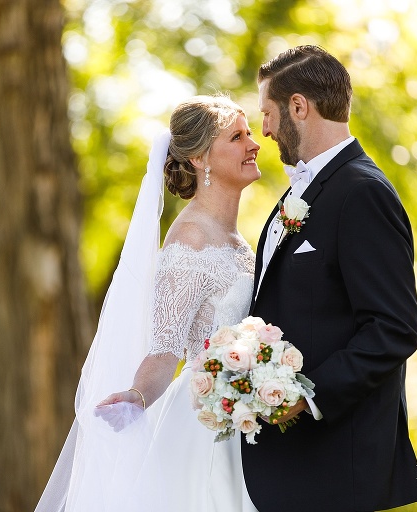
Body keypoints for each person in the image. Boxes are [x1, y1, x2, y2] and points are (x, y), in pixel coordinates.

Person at [35, 95, 260, 511]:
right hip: (207, 424)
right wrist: (137, 395)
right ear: (199, 159)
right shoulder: (191, 238)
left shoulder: (238, 240)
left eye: (249, 134)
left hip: (248, 415)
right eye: (237, 137)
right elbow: (165, 350)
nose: (254, 144)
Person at [243, 45, 417, 511]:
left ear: (299, 107)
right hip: (294, 467)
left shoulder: (363, 193)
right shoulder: (299, 192)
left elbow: (393, 328)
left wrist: (308, 395)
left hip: (335, 468)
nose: (263, 129)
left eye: (267, 112)